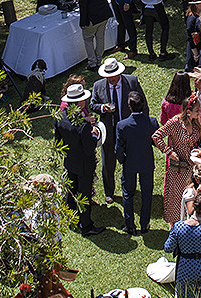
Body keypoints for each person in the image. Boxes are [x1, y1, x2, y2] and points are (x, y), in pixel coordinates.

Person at [54, 82, 103, 236]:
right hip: (84, 163)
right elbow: (89, 149)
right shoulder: (83, 126)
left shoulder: (60, 116)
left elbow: (57, 141)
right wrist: (94, 135)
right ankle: (86, 225)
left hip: (70, 161)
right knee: (84, 193)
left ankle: (70, 217)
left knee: (71, 190)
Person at [90, 58, 142, 203]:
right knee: (108, 163)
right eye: (108, 77)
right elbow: (92, 104)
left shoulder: (132, 82)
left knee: (130, 160)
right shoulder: (97, 86)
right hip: (108, 131)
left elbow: (142, 104)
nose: (112, 79)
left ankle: (130, 189)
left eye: (114, 76)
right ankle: (109, 192)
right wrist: (102, 108)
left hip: (128, 130)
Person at [152, 103, 201, 226]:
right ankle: (175, 227)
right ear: (188, 111)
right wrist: (169, 152)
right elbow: (156, 136)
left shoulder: (196, 122)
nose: (199, 113)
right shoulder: (175, 122)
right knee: (176, 198)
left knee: (192, 195)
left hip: (193, 166)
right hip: (179, 167)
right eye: (197, 110)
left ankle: (190, 224)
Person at [115, 90, 157, 234]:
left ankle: (130, 225)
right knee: (147, 193)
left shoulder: (122, 125)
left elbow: (119, 148)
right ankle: (144, 224)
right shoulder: (151, 122)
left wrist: (122, 161)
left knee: (128, 193)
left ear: (129, 106)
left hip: (130, 164)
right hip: (146, 162)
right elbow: (156, 142)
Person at [75, 0, 113, 69]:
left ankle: (92, 62)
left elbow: (83, 7)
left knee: (88, 39)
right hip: (104, 14)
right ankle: (99, 60)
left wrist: (83, 23)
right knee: (100, 38)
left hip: (92, 18)